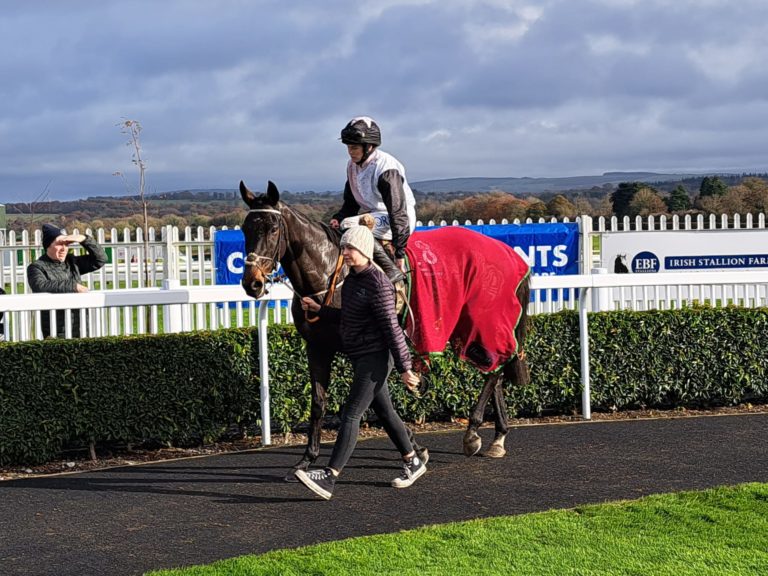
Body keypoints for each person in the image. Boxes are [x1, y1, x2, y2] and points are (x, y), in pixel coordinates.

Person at [295, 225, 426, 500]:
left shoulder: (378, 284)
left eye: (350, 248)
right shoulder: (352, 280)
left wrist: (405, 368)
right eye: (343, 248)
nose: (345, 253)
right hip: (362, 355)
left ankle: (330, 476)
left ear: (365, 251)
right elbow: (349, 317)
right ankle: (413, 460)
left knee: (351, 414)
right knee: (386, 412)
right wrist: (320, 310)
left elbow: (392, 329)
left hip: (376, 357)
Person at [330, 116, 417, 284]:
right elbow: (351, 204)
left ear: (369, 146)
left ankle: (391, 270)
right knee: (342, 224)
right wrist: (338, 217)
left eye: (354, 147)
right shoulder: (352, 166)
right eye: (348, 147)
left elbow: (397, 211)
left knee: (349, 225)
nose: (350, 152)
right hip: (376, 216)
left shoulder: (386, 168)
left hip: (399, 218)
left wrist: (399, 252)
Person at [27, 224, 108, 338]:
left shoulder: (72, 262)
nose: (64, 248)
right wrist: (73, 286)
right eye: (59, 244)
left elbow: (100, 259)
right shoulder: (36, 267)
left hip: (81, 325)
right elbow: (40, 285)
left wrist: (84, 239)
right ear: (48, 246)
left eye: (66, 244)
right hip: (55, 329)